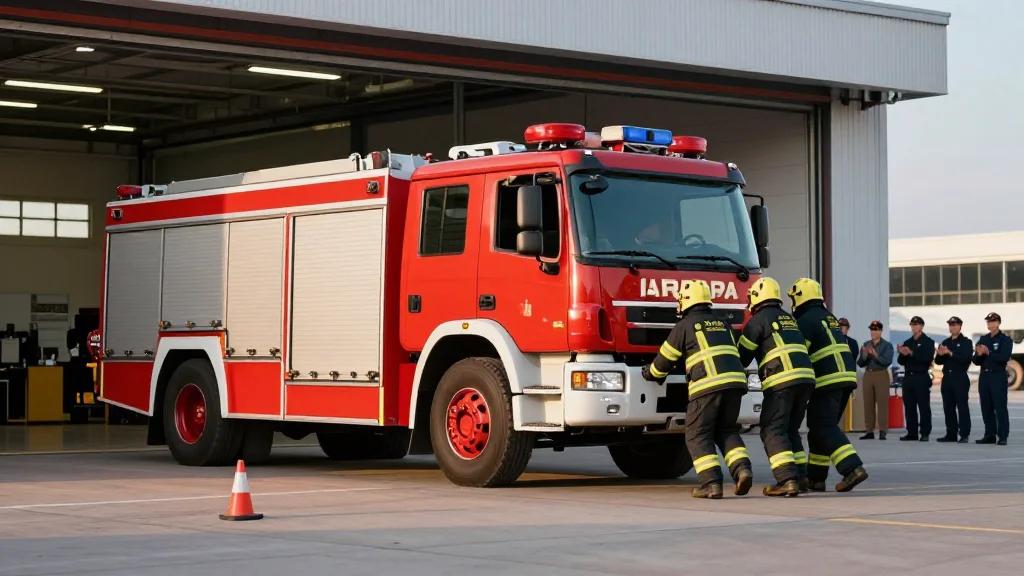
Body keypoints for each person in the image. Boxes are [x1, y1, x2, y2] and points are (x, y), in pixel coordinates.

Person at [642, 279, 752, 499]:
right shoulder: (723, 323)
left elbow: (664, 362)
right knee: (727, 430)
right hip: (735, 385)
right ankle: (742, 470)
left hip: (707, 386)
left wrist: (649, 373)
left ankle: (711, 484)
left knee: (697, 434)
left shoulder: (684, 325)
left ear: (685, 301)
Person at [737, 277, 815, 497]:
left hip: (781, 381)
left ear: (757, 297)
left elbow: (742, 357)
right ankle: (800, 477)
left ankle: (786, 480)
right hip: (805, 380)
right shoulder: (789, 318)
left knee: (772, 429)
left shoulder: (758, 320)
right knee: (790, 429)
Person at [788, 278, 868, 493]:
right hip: (846, 378)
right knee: (819, 429)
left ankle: (852, 468)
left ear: (800, 298)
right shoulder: (828, 317)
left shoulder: (805, 320)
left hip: (827, 380)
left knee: (823, 426)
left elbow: (799, 352)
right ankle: (816, 478)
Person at [973, 312, 1013, 445]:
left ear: (998, 323)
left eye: (993, 321)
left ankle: (1003, 436)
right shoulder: (983, 339)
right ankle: (989, 435)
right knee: (986, 407)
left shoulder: (1005, 339)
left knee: (1000, 406)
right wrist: (979, 354)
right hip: (984, 376)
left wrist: (988, 352)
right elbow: (975, 361)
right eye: (988, 321)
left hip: (998, 376)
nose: (990, 323)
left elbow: (1004, 357)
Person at [897, 316, 935, 442]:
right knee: (909, 406)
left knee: (923, 406)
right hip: (909, 377)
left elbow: (927, 358)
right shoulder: (908, 342)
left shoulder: (928, 342)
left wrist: (912, 353)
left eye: (916, 325)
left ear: (922, 326)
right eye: (912, 325)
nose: (914, 327)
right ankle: (912, 432)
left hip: (921, 376)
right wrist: (902, 353)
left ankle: (925, 433)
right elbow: (900, 361)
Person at [935, 316, 972, 443]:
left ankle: (964, 434)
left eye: (955, 325)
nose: (952, 327)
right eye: (950, 325)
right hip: (947, 378)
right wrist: (940, 354)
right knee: (948, 407)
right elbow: (938, 361)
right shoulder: (946, 342)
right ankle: (951, 434)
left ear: (960, 326)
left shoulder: (966, 342)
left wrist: (950, 353)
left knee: (962, 407)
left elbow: (965, 359)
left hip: (960, 377)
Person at [857, 320, 894, 440]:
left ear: (880, 331)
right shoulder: (866, 344)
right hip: (868, 374)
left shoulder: (887, 345)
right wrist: (865, 355)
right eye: (872, 330)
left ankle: (883, 430)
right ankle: (869, 431)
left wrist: (875, 354)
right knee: (868, 403)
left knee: (882, 403)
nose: (873, 332)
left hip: (881, 374)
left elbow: (887, 361)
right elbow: (860, 363)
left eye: (876, 330)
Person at [837, 318, 858, 415]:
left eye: (843, 326)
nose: (841, 328)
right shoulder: (833, 340)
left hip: (848, 379)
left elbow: (853, 357)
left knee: (842, 405)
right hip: (836, 378)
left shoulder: (852, 342)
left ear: (848, 328)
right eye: (839, 326)